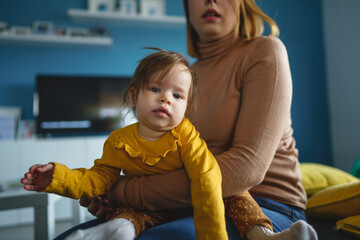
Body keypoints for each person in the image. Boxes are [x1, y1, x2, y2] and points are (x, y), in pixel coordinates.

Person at [41, 0, 319, 239]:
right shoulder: (183, 78)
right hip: (182, 203)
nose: (210, 0)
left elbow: (245, 169)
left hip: (266, 203)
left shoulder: (265, 51)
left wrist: (121, 192)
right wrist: (105, 196)